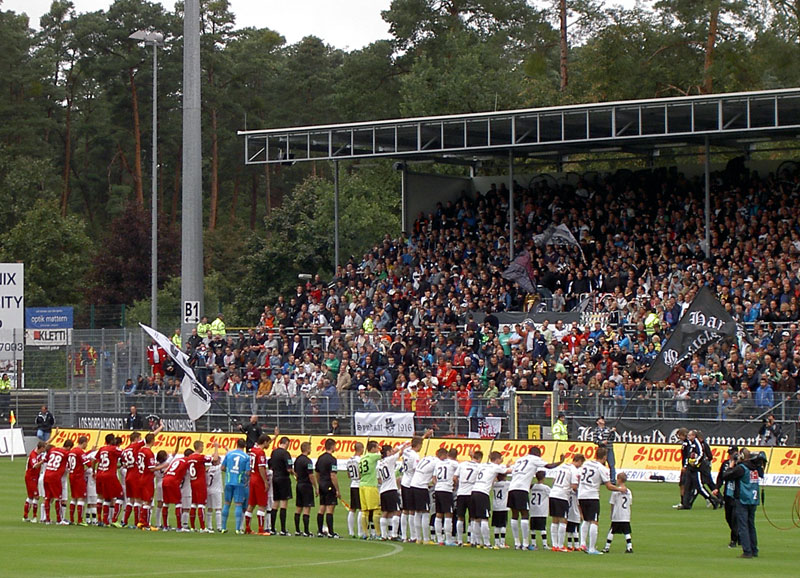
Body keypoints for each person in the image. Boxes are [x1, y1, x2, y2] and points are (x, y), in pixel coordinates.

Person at [508, 446, 561, 551]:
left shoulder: (520, 459)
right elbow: (549, 466)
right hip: (522, 489)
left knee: (514, 515)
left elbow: (511, 470)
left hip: (512, 488)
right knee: (524, 514)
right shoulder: (534, 459)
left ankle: (517, 543)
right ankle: (526, 543)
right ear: (538, 454)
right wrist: (561, 461)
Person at [577, 446, 627, 555]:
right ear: (604, 457)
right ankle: (591, 548)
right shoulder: (602, 468)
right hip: (592, 496)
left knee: (585, 520)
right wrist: (620, 489)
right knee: (594, 521)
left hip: (581, 495)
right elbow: (608, 486)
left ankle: (582, 543)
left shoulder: (586, 464)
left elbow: (578, 476)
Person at [722, 448, 766, 559]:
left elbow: (726, 475)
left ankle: (747, 551)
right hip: (753, 499)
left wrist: (731, 465)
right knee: (751, 525)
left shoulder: (742, 468)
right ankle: (754, 549)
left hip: (742, 498)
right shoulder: (755, 468)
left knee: (743, 526)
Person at [470, 450, 511, 549]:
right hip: (483, 493)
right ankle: (487, 543)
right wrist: (512, 466)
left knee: (476, 519)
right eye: (500, 459)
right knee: (484, 518)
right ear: (497, 459)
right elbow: (507, 471)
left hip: (474, 491)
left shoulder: (483, 465)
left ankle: (477, 541)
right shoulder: (495, 467)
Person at [549, 453, 584, 552]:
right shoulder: (573, 470)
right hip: (562, 495)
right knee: (563, 520)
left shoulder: (562, 466)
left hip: (553, 493)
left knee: (554, 520)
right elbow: (574, 486)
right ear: (579, 461)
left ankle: (555, 545)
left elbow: (553, 480)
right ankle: (560, 546)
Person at [376, 441, 410, 540]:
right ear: (387, 452)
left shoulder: (378, 463)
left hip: (383, 490)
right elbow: (400, 453)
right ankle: (394, 535)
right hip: (391, 489)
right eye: (390, 451)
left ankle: (383, 535)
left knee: (385, 512)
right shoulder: (390, 460)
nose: (392, 452)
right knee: (397, 511)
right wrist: (404, 446)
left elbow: (379, 479)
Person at [186, 440, 220, 532]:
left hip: (192, 481)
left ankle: (192, 527)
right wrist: (216, 447)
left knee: (194, 504)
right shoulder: (200, 457)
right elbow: (215, 459)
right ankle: (202, 527)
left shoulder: (189, 457)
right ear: (200, 447)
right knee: (201, 504)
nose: (203, 448)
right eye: (202, 446)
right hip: (200, 482)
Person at [221, 438, 251, 533]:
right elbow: (248, 472)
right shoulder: (246, 457)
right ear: (245, 445)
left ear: (236, 444)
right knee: (238, 504)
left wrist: (229, 472)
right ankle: (238, 529)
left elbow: (222, 467)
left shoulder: (229, 454)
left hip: (229, 481)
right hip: (239, 482)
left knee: (226, 503)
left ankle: (223, 528)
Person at [136, 431, 165, 529]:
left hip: (140, 477)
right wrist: (163, 466)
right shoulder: (149, 452)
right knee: (148, 501)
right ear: (152, 441)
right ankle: (146, 524)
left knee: (143, 501)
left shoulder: (140, 450)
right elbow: (151, 469)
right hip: (147, 479)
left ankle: (141, 521)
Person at [713, 445, 740, 548]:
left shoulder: (741, 465)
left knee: (734, 518)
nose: (731, 455)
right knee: (728, 517)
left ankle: (734, 540)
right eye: (730, 453)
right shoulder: (725, 464)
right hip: (728, 493)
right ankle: (738, 534)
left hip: (736, 495)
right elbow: (721, 476)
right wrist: (717, 487)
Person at [409, 448, 437, 544]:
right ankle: (426, 539)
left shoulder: (425, 459)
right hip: (421, 487)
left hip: (413, 485)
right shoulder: (436, 462)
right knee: (425, 512)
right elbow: (434, 478)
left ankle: (418, 538)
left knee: (417, 512)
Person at [94, 434, 123, 527]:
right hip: (109, 475)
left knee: (104, 497)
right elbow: (124, 453)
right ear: (112, 441)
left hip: (100, 474)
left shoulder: (102, 449)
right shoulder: (114, 448)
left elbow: (94, 460)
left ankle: (102, 520)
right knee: (120, 496)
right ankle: (114, 520)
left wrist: (94, 471)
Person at [245, 434, 271, 534]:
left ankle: (247, 527)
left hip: (252, 478)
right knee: (262, 504)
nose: (269, 444)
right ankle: (261, 529)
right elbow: (261, 467)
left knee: (251, 504)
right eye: (268, 442)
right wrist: (265, 481)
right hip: (259, 479)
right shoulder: (260, 453)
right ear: (264, 442)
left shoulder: (252, 450)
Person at [602, 472, 634, 553]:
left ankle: (607, 547)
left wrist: (612, 513)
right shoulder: (629, 491)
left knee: (612, 531)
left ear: (619, 479)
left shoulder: (615, 491)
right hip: (626, 514)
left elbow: (612, 503)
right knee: (627, 531)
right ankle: (629, 547)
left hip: (617, 515)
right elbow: (629, 503)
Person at [161, 448, 192, 531]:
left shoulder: (177, 459)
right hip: (173, 482)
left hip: (165, 480)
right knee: (178, 503)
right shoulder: (187, 461)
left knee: (166, 503)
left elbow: (165, 471)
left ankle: (165, 526)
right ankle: (179, 527)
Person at [432, 447, 458, 546]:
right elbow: (457, 474)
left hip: (438, 489)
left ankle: (439, 539)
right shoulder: (452, 463)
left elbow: (434, 478)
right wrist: (454, 484)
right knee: (448, 514)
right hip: (446, 490)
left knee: (438, 514)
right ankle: (448, 539)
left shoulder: (438, 464)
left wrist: (438, 484)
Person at [453, 451, 480, 547]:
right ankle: (472, 540)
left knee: (460, 517)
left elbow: (455, 477)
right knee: (473, 517)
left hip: (461, 493)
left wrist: (457, 486)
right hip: (472, 493)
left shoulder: (462, 464)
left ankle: (460, 540)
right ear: (480, 458)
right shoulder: (479, 466)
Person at [315, 438, 341, 538]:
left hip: (322, 484)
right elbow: (333, 475)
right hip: (329, 485)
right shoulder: (332, 459)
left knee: (322, 507)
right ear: (332, 446)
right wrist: (337, 489)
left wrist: (319, 483)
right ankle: (331, 532)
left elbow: (316, 472)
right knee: (330, 508)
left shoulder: (320, 458)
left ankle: (320, 531)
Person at [43, 440, 72, 525]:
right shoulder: (66, 454)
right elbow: (70, 465)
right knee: (58, 498)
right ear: (69, 447)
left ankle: (47, 519)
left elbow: (46, 459)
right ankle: (59, 520)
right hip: (55, 477)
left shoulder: (53, 449)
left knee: (47, 497)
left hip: (47, 474)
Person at [270, 436, 295, 535]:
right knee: (284, 503)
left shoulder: (274, 452)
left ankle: (272, 528)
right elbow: (289, 469)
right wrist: (294, 473)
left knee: (275, 503)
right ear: (285, 443)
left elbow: (271, 465)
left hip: (275, 478)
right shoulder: (286, 454)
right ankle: (283, 529)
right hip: (284, 479)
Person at [358, 440, 381, 539]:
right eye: (377, 447)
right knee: (376, 509)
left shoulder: (362, 458)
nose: (378, 449)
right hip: (371, 486)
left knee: (364, 511)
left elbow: (359, 474)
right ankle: (378, 533)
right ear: (372, 449)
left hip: (362, 485)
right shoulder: (373, 456)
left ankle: (365, 533)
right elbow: (387, 455)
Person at [293, 441, 316, 537]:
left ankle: (297, 530)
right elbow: (311, 475)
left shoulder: (297, 459)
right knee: (307, 507)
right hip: (306, 485)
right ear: (306, 449)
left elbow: (295, 472)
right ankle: (306, 531)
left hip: (299, 484)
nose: (311, 450)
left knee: (299, 507)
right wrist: (316, 487)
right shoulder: (308, 461)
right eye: (310, 448)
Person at [67, 435, 91, 525]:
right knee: (81, 498)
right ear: (84, 442)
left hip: (71, 475)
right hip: (78, 477)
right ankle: (80, 520)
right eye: (86, 443)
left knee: (73, 498)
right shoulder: (80, 452)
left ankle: (72, 519)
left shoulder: (71, 451)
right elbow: (88, 464)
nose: (86, 445)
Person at [23, 440, 46, 522]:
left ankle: (25, 516)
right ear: (41, 448)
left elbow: (46, 443)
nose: (45, 450)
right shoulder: (33, 455)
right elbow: (35, 466)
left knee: (30, 497)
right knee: (36, 496)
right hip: (30, 477)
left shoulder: (37, 450)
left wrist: (55, 435)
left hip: (35, 477)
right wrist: (43, 461)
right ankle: (34, 517)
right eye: (44, 448)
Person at [345, 442, 364, 538]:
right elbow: (362, 473)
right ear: (361, 449)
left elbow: (348, 474)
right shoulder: (361, 460)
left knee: (352, 509)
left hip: (352, 484)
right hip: (360, 484)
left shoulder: (349, 460)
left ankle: (351, 532)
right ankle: (360, 532)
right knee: (361, 509)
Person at [591, 416, 617, 480]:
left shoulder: (608, 429)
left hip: (609, 448)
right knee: (601, 465)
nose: (602, 420)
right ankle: (602, 479)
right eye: (600, 419)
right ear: (597, 422)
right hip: (601, 449)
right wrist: (601, 442)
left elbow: (612, 438)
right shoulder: (595, 431)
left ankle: (613, 480)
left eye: (603, 419)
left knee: (611, 464)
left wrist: (613, 432)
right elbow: (595, 441)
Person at [529, 470, 550, 550]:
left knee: (533, 528)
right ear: (544, 478)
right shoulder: (546, 488)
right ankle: (545, 545)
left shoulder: (533, 487)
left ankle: (533, 544)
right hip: (541, 510)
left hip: (533, 509)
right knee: (542, 528)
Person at [492, 472, 510, 548]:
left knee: (496, 525)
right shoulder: (507, 484)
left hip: (495, 506)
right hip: (503, 506)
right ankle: (502, 542)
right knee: (503, 525)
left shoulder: (495, 484)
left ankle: (496, 542)